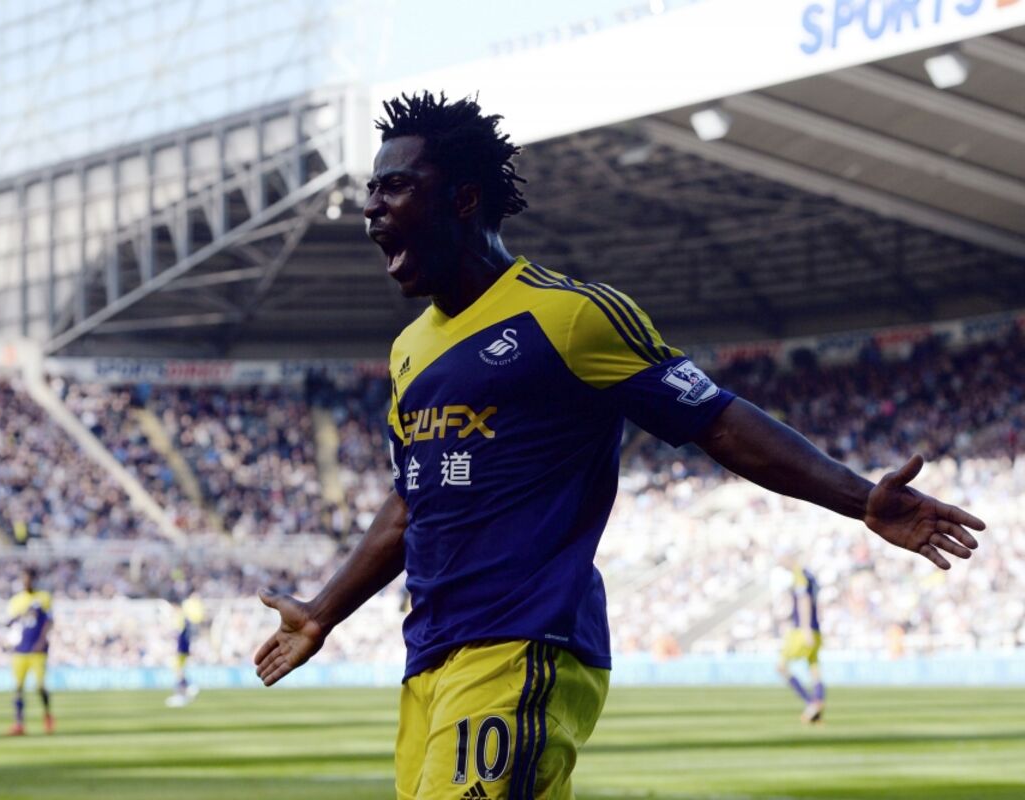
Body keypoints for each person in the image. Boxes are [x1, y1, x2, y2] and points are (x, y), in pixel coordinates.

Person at [254, 91, 985, 799]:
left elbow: (716, 420)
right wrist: (322, 612)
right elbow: (412, 504)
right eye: (372, 188)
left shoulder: (570, 317)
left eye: (396, 186)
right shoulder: (409, 351)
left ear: (464, 199)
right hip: (430, 656)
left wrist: (861, 499)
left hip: (524, 640)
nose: (372, 206)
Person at [776, 557, 825, 724]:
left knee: (781, 667)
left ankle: (811, 703)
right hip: (816, 629)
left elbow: (804, 599)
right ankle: (817, 702)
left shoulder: (799, 575)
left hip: (802, 631)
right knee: (814, 668)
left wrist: (805, 628)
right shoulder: (810, 575)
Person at [6, 566, 54, 736]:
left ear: (34, 580)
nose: (25, 582)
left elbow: (49, 621)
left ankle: (47, 714)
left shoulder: (43, 597)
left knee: (40, 687)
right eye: (23, 579)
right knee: (18, 688)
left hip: (37, 650)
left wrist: (41, 641)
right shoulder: (16, 600)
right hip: (20, 650)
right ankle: (19, 724)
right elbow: (11, 624)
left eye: (28, 579)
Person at [165, 593, 204, 708]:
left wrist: (175, 647)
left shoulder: (179, 616)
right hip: (184, 647)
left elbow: (179, 634)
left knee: (178, 669)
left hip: (181, 647)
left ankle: (183, 692)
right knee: (179, 669)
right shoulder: (184, 615)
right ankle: (187, 689)